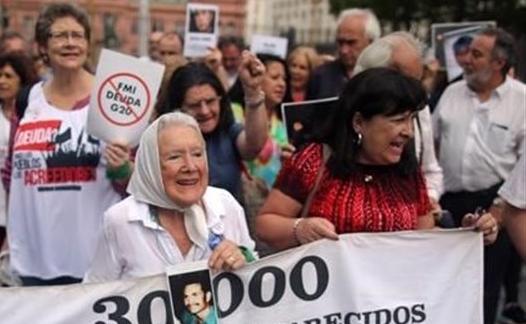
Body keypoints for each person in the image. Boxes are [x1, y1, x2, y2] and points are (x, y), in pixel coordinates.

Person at [255, 67, 499, 252]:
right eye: (397, 120)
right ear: (359, 122)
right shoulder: (314, 160)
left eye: (411, 119)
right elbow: (266, 224)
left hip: (388, 312)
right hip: (326, 310)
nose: (409, 132)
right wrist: (300, 229)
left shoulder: (407, 170)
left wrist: (466, 234)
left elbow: (424, 235)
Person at [6, 3, 128, 286]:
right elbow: (11, 174)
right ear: (43, 46)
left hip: (95, 265)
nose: (70, 43)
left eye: (78, 35)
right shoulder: (27, 100)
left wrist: (123, 169)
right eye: (60, 35)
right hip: (33, 264)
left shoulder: (112, 97)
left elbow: (136, 183)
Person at [433, 27, 525, 324]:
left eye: (476, 54)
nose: (465, 60)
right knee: (441, 292)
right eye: (466, 52)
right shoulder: (451, 93)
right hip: (448, 205)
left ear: (498, 62)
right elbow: (432, 146)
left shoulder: (521, 100)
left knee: (484, 294)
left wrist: (500, 212)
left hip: (497, 206)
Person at [85, 112, 255, 282]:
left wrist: (243, 258)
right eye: (174, 157)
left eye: (197, 154)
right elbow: (94, 295)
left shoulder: (225, 205)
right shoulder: (121, 220)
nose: (190, 166)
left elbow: (257, 278)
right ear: (151, 166)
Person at [354, 31, 445, 218]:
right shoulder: (322, 155)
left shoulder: (420, 110)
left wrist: (428, 199)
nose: (408, 132)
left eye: (416, 81)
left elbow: (430, 171)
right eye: (397, 120)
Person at [158, 53, 268, 204]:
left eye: (210, 101)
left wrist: (253, 90)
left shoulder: (228, 132)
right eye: (194, 105)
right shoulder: (159, 138)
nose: (205, 111)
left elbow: (253, 146)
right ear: (177, 108)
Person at [0, 52, 37, 259]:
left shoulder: (30, 119)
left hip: (19, 214)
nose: (1, 81)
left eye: (8, 76)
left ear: (22, 81)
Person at [307, 8, 380, 99]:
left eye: (351, 42)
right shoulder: (319, 76)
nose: (344, 50)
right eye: (340, 42)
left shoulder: (386, 77)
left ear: (370, 42)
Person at [245, 53, 289, 189]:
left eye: (284, 79)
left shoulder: (284, 122)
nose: (281, 84)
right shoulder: (236, 113)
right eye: (275, 77)